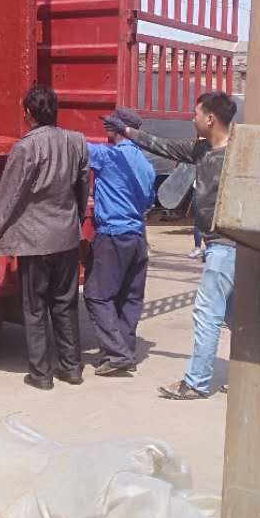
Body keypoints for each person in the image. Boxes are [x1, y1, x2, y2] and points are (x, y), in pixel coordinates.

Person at [104, 89, 236, 400]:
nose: (192, 119)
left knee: (206, 313)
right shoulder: (202, 150)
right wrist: (127, 131)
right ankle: (246, 378)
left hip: (227, 246)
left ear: (210, 118)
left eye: (195, 113)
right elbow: (162, 146)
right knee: (235, 317)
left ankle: (196, 382)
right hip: (220, 246)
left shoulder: (239, 154)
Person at [0, 84, 90, 391]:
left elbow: (9, 195)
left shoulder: (26, 148)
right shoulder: (76, 141)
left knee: (35, 307)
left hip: (35, 240)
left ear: (29, 113)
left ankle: (41, 374)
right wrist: (75, 219)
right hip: (66, 236)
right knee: (66, 303)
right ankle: (71, 367)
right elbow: (83, 186)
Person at [84, 107, 158, 377]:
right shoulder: (146, 166)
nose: (105, 128)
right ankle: (125, 351)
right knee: (130, 297)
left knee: (96, 295)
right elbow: (149, 201)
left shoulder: (108, 156)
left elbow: (75, 148)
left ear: (118, 129)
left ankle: (117, 354)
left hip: (113, 235)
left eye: (109, 125)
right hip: (137, 237)